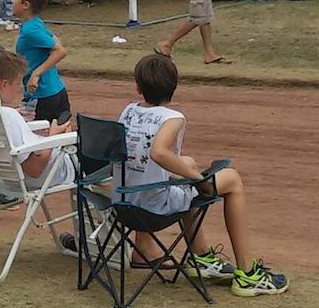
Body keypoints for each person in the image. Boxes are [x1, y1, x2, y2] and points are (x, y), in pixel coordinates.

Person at [117, 54, 288, 297]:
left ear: (137, 86)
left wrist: (191, 173)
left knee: (187, 164)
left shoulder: (129, 111)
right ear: (174, 87)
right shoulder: (172, 118)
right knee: (232, 179)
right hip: (153, 208)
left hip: (125, 202)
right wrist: (199, 179)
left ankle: (202, 258)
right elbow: (159, 153)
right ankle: (248, 275)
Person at [0, 46, 76, 190]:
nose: (19, 89)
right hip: (45, 176)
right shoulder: (8, 116)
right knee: (93, 153)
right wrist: (54, 137)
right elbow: (35, 170)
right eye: (17, 83)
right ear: (4, 84)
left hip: (0, 178)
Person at [12, 0, 70, 125]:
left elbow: (60, 51)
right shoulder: (36, 23)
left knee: (34, 139)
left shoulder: (30, 30)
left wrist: (36, 73)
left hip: (42, 96)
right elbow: (55, 41)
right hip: (56, 90)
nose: (12, 1)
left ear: (25, 4)